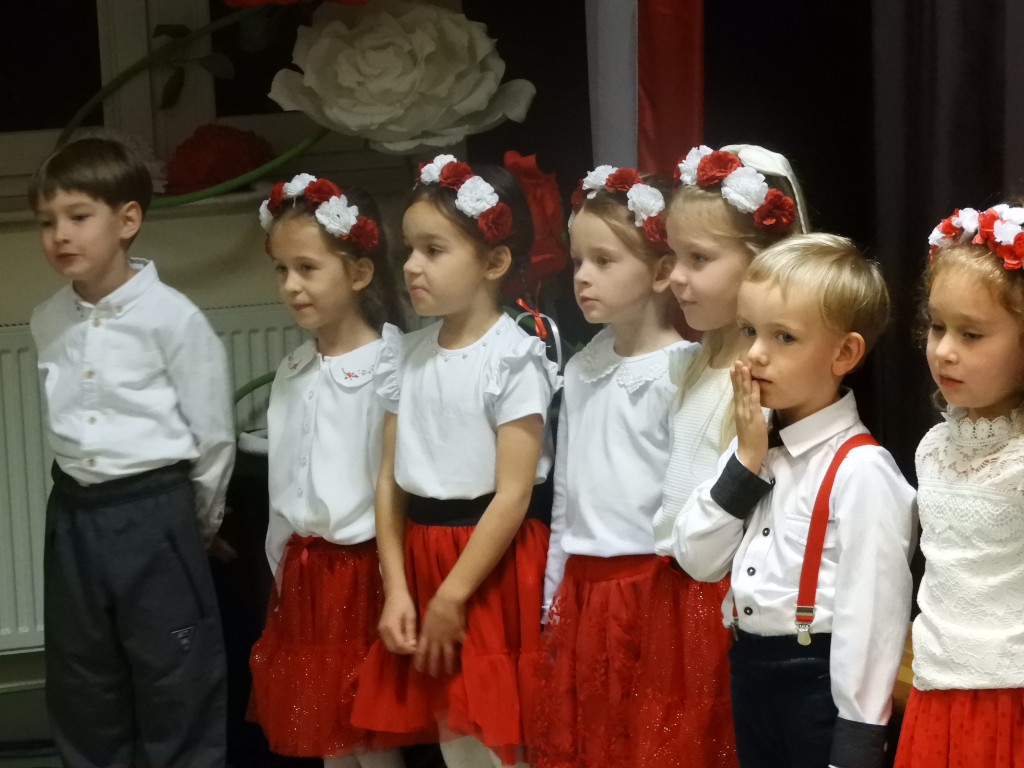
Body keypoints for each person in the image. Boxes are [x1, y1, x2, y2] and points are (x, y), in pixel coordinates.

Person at [673, 233, 916, 768]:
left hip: (818, 688)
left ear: (844, 353)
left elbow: (873, 619)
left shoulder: (861, 470)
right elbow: (695, 557)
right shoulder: (752, 448)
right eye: (749, 330)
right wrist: (745, 462)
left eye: (783, 336)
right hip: (749, 672)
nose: (755, 353)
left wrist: (856, 746)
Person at [29, 137, 234, 767]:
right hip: (75, 517)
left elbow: (212, 436)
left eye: (77, 216)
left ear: (127, 220)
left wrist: (195, 527)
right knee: (83, 678)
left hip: (155, 513)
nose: (60, 235)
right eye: (47, 221)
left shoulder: (173, 319)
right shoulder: (47, 319)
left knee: (175, 673)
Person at [350, 155, 560, 768]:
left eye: (434, 250)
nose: (412, 266)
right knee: (455, 740)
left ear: (493, 262)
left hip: (488, 565)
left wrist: (451, 597)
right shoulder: (405, 355)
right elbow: (388, 480)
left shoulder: (513, 358)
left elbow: (513, 494)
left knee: (500, 741)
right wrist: (397, 588)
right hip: (421, 556)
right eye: (409, 250)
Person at [635, 145, 806, 767]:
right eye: (673, 256)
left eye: (698, 259)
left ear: (761, 265)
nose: (675, 277)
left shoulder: (760, 381)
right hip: (672, 594)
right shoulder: (691, 362)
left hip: (723, 605)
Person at [529, 165, 688, 768]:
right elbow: (565, 497)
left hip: (651, 592)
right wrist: (552, 599)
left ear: (662, 271)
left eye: (603, 260)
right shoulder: (579, 369)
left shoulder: (682, 369)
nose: (582, 276)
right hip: (583, 594)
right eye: (578, 261)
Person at [245, 173, 405, 767]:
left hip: (364, 578)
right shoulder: (293, 369)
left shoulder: (390, 363)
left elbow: (393, 483)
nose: (291, 285)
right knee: (328, 741)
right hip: (307, 578)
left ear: (359, 273)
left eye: (308, 268)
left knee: (368, 736)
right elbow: (284, 483)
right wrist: (282, 568)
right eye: (281, 270)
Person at [894, 205, 1024, 768]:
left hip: (1010, 697)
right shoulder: (931, 448)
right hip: (935, 692)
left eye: (970, 334)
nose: (944, 349)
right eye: (937, 326)